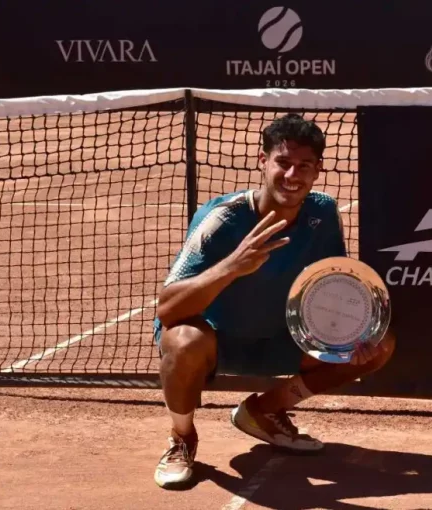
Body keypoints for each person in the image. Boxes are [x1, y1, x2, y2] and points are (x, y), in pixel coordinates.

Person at [150, 113, 397, 489]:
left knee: (379, 346)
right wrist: (232, 266)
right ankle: (182, 438)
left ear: (317, 171)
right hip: (217, 342)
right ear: (263, 162)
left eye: (304, 166)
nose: (292, 175)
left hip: (281, 338)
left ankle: (263, 411)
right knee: (182, 341)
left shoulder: (323, 211)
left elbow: (329, 286)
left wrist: (353, 337)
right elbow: (167, 309)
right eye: (283, 162)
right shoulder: (221, 219)